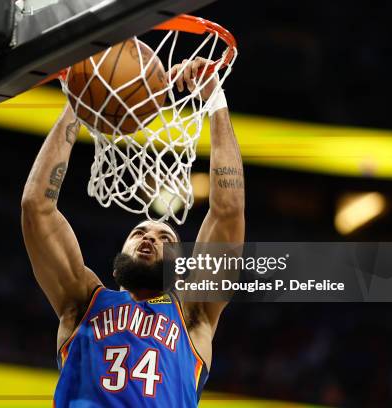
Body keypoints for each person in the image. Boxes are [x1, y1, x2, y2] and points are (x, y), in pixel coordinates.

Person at [21, 57, 245, 407]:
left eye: (164, 238)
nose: (149, 237)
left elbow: (228, 211)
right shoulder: (83, 303)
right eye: (139, 232)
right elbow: (36, 208)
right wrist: (78, 104)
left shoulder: (193, 314)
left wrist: (214, 100)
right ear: (116, 261)